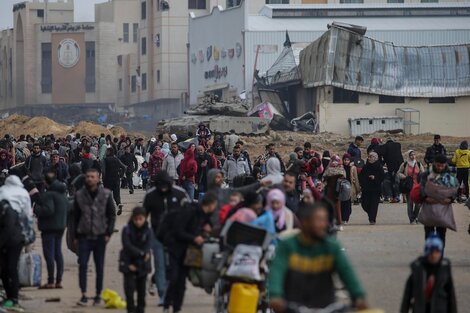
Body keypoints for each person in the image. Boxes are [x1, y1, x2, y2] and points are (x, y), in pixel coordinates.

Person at [268, 202, 368, 312]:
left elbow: (346, 271)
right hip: (293, 306)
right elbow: (277, 271)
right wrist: (275, 295)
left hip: (326, 306)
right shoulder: (287, 246)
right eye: (319, 220)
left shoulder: (331, 247)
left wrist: (358, 296)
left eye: (325, 220)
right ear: (305, 223)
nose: (324, 225)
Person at [163, 193, 218, 313]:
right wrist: (194, 238)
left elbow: (208, 227)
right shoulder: (190, 212)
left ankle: (177, 308)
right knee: (173, 278)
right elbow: (178, 231)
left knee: (182, 282)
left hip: (189, 253)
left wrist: (206, 230)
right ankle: (167, 304)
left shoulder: (205, 216)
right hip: (176, 249)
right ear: (210, 204)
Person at [144, 171, 189, 306]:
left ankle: (174, 293)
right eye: (160, 185)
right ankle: (163, 295)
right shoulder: (151, 195)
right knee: (160, 265)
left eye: (165, 185)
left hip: (176, 236)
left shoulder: (180, 194)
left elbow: (189, 212)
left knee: (176, 266)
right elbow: (142, 215)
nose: (163, 187)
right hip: (157, 236)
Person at [73, 168, 117, 306]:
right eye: (87, 177)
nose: (89, 179)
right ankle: (84, 294)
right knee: (83, 265)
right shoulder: (79, 195)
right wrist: (74, 236)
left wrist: (108, 232)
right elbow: (75, 217)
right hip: (84, 236)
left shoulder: (106, 194)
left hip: (100, 236)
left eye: (92, 177)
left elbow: (111, 214)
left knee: (99, 267)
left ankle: (98, 294)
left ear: (98, 179)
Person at [400, 235, 457, 313]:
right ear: (427, 252)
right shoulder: (418, 269)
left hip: (440, 309)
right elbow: (407, 297)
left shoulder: (444, 270)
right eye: (431, 252)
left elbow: (451, 297)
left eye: (437, 252)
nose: (434, 256)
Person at [0, 175, 31, 312]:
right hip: (18, 234)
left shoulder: (2, 192)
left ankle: (12, 298)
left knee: (6, 269)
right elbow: (27, 215)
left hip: (8, 235)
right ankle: (13, 298)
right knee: (12, 267)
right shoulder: (23, 193)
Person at [35, 172, 68, 289]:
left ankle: (50, 281)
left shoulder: (48, 194)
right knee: (58, 253)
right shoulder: (63, 193)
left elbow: (48, 210)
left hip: (49, 228)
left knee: (49, 254)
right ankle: (58, 280)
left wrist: (37, 208)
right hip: (60, 227)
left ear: (46, 182)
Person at [119, 207, 152, 313]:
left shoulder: (148, 231)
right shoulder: (127, 230)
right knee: (129, 291)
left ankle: (140, 309)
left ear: (145, 219)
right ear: (132, 219)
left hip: (142, 265)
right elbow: (127, 246)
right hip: (128, 263)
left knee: (141, 293)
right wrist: (140, 255)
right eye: (136, 219)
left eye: (140, 219)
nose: (138, 222)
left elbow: (147, 247)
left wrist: (141, 259)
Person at [419, 154, 456, 247]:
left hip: (443, 208)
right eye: (438, 165)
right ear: (434, 163)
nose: (440, 168)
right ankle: (429, 254)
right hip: (429, 207)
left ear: (445, 165)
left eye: (442, 165)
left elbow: (455, 188)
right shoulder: (426, 174)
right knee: (428, 233)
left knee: (441, 234)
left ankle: (440, 255)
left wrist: (450, 199)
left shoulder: (449, 175)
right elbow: (422, 187)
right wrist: (426, 197)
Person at [398, 150, 426, 224]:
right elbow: (399, 173)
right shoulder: (404, 164)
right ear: (408, 156)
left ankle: (415, 216)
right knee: (410, 203)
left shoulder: (419, 164)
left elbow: (423, 174)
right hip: (409, 186)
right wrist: (405, 177)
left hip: (417, 187)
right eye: (411, 155)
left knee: (418, 204)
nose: (413, 156)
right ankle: (411, 219)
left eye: (414, 155)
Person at [359, 152, 385, 225]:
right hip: (366, 189)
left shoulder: (379, 166)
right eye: (369, 157)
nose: (369, 158)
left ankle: (372, 219)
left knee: (374, 205)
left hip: (375, 189)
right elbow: (361, 176)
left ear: (375, 158)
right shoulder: (365, 166)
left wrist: (375, 178)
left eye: (371, 157)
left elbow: (382, 177)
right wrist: (364, 182)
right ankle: (370, 213)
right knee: (364, 204)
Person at [322, 155, 346, 228]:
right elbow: (324, 178)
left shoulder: (341, 168)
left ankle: (338, 223)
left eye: (336, 161)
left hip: (337, 191)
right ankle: (331, 223)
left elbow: (344, 177)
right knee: (329, 207)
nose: (335, 162)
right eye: (333, 161)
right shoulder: (328, 169)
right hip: (329, 190)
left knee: (337, 208)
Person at [101, 148, 127, 214]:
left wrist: (103, 179)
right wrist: (121, 175)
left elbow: (103, 171)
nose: (105, 152)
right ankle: (119, 204)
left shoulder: (105, 160)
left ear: (109, 152)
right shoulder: (116, 159)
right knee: (116, 195)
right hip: (116, 179)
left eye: (106, 151)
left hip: (108, 180)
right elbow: (124, 167)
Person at [382, 138, 404, 203]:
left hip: (392, 169)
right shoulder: (397, 150)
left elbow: (386, 160)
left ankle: (393, 196)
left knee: (392, 182)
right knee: (396, 182)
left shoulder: (388, 151)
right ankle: (396, 196)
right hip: (399, 168)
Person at [342, 154, 361, 222]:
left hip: (350, 188)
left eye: (347, 160)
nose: (346, 161)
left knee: (348, 205)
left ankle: (346, 218)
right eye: (345, 160)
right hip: (342, 189)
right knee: (343, 204)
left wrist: (358, 189)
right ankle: (343, 218)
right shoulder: (341, 168)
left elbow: (356, 178)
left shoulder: (353, 168)